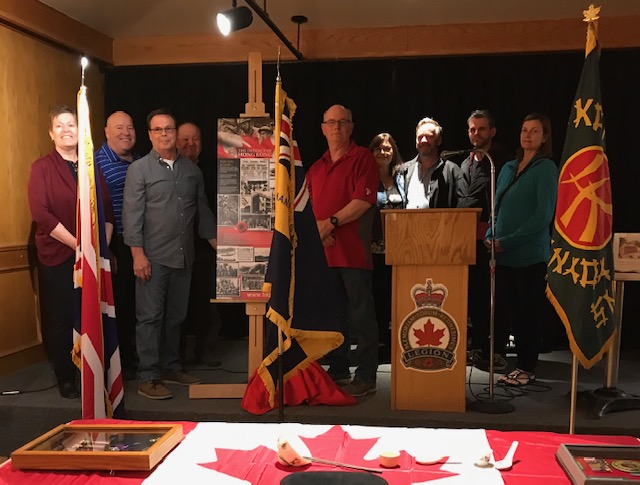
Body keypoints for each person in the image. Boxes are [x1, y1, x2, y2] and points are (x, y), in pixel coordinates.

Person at [123, 108, 217, 400]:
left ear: (176, 133)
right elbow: (131, 215)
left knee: (176, 316)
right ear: (150, 134)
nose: (164, 134)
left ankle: (172, 367)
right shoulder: (139, 170)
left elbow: (203, 215)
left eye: (169, 129)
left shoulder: (192, 172)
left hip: (184, 257)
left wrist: (225, 252)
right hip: (152, 258)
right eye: (158, 130)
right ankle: (149, 376)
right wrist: (137, 255)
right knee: (149, 318)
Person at [28, 105, 114, 399]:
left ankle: (90, 372)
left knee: (91, 314)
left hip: (91, 256)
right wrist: (79, 245)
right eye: (60, 126)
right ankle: (65, 375)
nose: (67, 130)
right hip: (58, 255)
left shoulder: (92, 165)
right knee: (63, 317)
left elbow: (106, 211)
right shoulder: (42, 167)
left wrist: (98, 248)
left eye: (72, 125)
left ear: (81, 131)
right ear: (51, 133)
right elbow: (42, 214)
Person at [306, 104, 379, 397]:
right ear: (323, 128)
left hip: (353, 252)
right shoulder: (316, 167)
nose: (336, 128)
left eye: (342, 122)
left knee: (361, 314)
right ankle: (338, 369)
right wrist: (318, 232)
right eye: (331, 123)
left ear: (351, 127)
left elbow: (363, 202)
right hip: (324, 251)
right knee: (332, 315)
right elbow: (306, 207)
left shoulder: (363, 158)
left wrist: (331, 223)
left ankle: (366, 374)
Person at [485, 113, 558, 386]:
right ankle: (517, 366)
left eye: (535, 131)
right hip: (502, 254)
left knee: (529, 314)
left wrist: (508, 240)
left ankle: (527, 367)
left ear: (545, 137)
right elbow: (496, 207)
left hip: (529, 256)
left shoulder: (546, 169)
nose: (527, 135)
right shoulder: (507, 167)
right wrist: (491, 236)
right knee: (511, 313)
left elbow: (542, 216)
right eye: (524, 130)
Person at [455, 109, 509, 372]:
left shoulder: (500, 161)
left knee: (495, 298)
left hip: (491, 240)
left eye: (482, 129)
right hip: (466, 241)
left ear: (492, 131)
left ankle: (497, 349)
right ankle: (476, 346)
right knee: (474, 297)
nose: (476, 134)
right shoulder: (464, 163)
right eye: (472, 129)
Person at [95, 110, 139, 379]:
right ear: (106, 132)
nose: (126, 132)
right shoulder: (97, 164)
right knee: (120, 306)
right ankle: (123, 365)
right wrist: (106, 249)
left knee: (137, 307)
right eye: (119, 127)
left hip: (141, 245)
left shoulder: (142, 162)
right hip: (116, 244)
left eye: (130, 127)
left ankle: (136, 358)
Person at [176, 121, 221, 365]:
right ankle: (177, 357)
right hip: (177, 248)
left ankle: (207, 351)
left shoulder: (212, 172)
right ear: (175, 141)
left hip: (207, 249)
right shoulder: (169, 172)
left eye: (195, 139)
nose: (190, 144)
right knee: (178, 306)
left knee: (209, 303)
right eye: (185, 139)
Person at [368, 133, 405, 363]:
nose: (383, 152)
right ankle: (378, 344)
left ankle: (397, 343)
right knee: (376, 299)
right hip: (371, 249)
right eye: (378, 149)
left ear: (394, 153)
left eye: (387, 149)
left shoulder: (402, 177)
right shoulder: (365, 178)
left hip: (399, 249)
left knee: (397, 298)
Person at [402, 117, 460, 209]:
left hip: (441, 222)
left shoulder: (451, 170)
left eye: (429, 136)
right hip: (407, 223)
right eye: (420, 137)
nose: (424, 140)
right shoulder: (404, 170)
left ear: (439, 140)